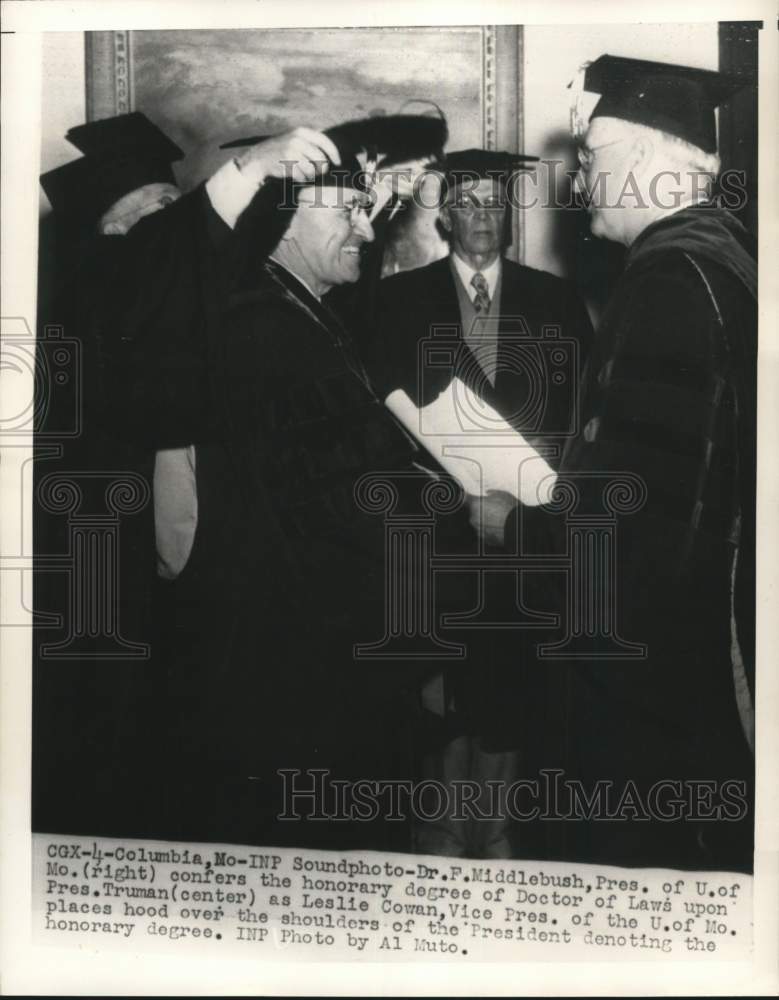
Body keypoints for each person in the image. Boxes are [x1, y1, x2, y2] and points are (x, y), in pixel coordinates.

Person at [473, 55, 756, 871]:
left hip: (648, 672)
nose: (579, 183)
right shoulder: (729, 268)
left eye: (592, 159)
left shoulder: (667, 285)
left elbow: (631, 525)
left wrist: (512, 526)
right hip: (705, 641)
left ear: (644, 160)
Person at [149, 115, 459, 849]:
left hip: (308, 661)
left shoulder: (304, 313)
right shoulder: (267, 329)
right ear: (283, 218)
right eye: (346, 208)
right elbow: (344, 505)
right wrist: (455, 510)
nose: (366, 225)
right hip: (297, 672)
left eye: (367, 207)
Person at [370, 148, 594, 858]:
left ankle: (494, 829)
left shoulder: (553, 301)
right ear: (442, 218)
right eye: (465, 204)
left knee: (509, 682)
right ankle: (436, 828)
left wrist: (541, 498)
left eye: (493, 204)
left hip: (522, 532)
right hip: (435, 536)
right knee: (438, 685)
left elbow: (584, 421)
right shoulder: (397, 304)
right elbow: (380, 426)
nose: (482, 218)